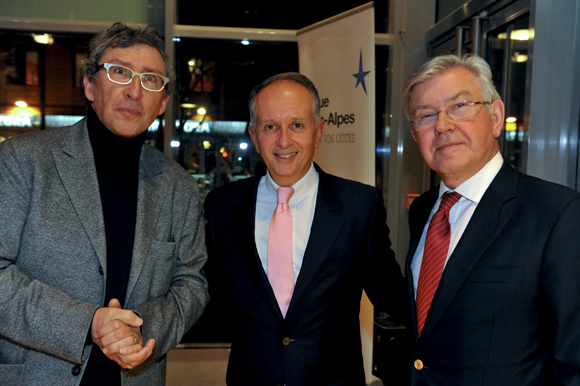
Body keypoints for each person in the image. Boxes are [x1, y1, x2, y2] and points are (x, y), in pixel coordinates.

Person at [0, 23, 209, 386]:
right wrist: (88, 323)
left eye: (150, 80)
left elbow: (192, 284)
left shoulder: (179, 187)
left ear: (162, 103)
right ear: (89, 84)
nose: (133, 91)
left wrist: (140, 331)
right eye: (120, 72)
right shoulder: (22, 161)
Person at [203, 72, 407, 386]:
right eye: (271, 127)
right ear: (255, 136)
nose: (284, 141)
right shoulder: (222, 207)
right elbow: (205, 296)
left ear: (318, 131)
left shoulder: (359, 206)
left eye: (297, 125)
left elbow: (392, 295)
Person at [403, 53, 580, 385]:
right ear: (415, 136)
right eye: (425, 115)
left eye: (460, 107)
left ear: (496, 117)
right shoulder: (423, 210)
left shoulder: (558, 213)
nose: (442, 126)